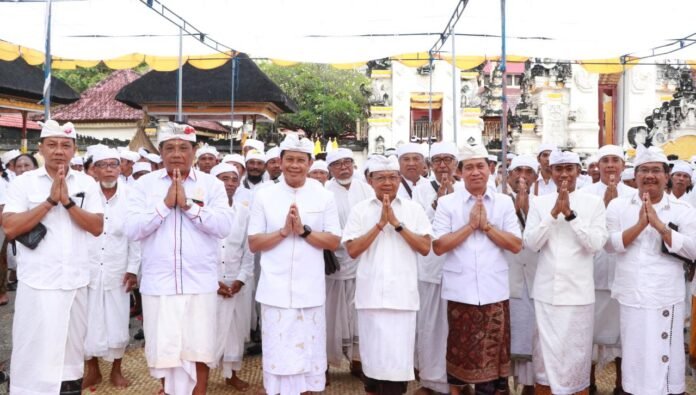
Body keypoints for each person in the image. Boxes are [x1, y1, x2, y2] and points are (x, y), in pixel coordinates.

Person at [124, 122, 233, 395]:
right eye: (169, 148)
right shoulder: (144, 185)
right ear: (160, 152)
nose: (176, 154)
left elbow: (223, 227)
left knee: (200, 348)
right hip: (159, 285)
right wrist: (164, 206)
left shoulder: (212, 185)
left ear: (194, 151)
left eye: (183, 148)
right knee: (165, 351)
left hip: (200, 284)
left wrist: (187, 206)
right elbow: (132, 229)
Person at [4, 120, 104, 395]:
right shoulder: (23, 183)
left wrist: (68, 203)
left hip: (74, 282)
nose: (59, 151)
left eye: (65, 145)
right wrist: (48, 202)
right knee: (33, 348)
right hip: (37, 282)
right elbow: (10, 227)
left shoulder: (87, 183)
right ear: (40, 149)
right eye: (52, 144)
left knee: (70, 354)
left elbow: (96, 227)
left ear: (74, 150)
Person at [248, 134, 341, 395]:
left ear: (310, 163)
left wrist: (303, 231)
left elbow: (334, 241)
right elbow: (254, 243)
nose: (295, 165)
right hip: (274, 291)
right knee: (279, 355)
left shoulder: (324, 196)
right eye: (289, 159)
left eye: (301, 160)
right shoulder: (265, 196)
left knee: (308, 356)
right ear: (280, 161)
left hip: (309, 291)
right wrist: (282, 232)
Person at [433, 144, 522, 395]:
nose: (475, 172)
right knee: (460, 356)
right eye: (469, 167)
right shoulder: (447, 204)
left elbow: (516, 245)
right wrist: (470, 226)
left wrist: (487, 228)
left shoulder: (504, 202)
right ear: (459, 172)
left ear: (490, 169)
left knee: (493, 362)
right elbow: (438, 246)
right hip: (461, 294)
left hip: (494, 292)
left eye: (480, 166)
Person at [606, 145, 696, 395]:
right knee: (635, 358)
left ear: (666, 176)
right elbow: (609, 245)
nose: (649, 176)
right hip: (632, 296)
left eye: (656, 170)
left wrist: (660, 226)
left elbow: (693, 249)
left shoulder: (683, 210)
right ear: (634, 176)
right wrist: (639, 225)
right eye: (643, 170)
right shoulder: (618, 206)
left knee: (666, 361)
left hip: (666, 296)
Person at [343, 155, 432, 395]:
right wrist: (380, 225)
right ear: (370, 180)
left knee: (396, 364)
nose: (387, 183)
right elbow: (352, 250)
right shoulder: (360, 210)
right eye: (380, 178)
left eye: (392, 177)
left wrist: (397, 224)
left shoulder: (413, 209)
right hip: (370, 297)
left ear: (399, 179)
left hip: (402, 299)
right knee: (372, 364)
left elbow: (425, 248)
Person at [524, 150, 608, 394]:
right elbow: (531, 243)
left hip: (578, 294)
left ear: (577, 172)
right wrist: (552, 215)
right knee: (544, 358)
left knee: (575, 358)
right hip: (546, 292)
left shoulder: (593, 203)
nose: (563, 174)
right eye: (558, 169)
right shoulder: (539, 203)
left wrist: (571, 216)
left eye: (569, 169)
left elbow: (595, 244)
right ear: (550, 172)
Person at [82, 148, 141, 390]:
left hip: (118, 269)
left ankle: (117, 369)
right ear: (93, 170)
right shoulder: (83, 194)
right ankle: (92, 370)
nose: (109, 169)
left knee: (118, 321)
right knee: (87, 321)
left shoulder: (131, 196)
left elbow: (136, 237)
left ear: (121, 168)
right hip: (88, 269)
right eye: (103, 165)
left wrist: (134, 269)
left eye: (113, 164)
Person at [580, 145, 634, 394]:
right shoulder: (584, 193)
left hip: (624, 274)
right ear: (598, 166)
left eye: (615, 161)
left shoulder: (634, 194)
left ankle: (622, 384)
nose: (610, 165)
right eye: (606, 161)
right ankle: (587, 382)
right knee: (588, 332)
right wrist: (604, 205)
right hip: (592, 272)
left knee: (625, 334)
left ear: (623, 166)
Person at [411, 141, 460, 395]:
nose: (443, 164)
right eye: (438, 159)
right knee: (430, 325)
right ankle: (431, 381)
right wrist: (436, 203)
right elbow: (418, 226)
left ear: (456, 164)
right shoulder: (420, 190)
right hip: (430, 267)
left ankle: (458, 382)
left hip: (459, 269)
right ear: (430, 165)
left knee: (458, 328)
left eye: (448, 159)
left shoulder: (465, 189)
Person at [324, 148, 374, 376]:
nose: (343, 167)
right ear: (330, 169)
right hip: (333, 261)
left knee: (358, 312)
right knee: (330, 313)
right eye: (338, 164)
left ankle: (358, 361)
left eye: (347, 162)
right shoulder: (324, 192)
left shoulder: (366, 189)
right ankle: (323, 363)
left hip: (361, 259)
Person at [210, 163, 254, 391]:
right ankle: (201, 375)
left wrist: (241, 279)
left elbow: (248, 250)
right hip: (209, 282)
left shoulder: (244, 211)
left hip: (236, 282)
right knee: (206, 330)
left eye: (233, 179)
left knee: (234, 330)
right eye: (223, 178)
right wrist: (212, 281)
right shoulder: (203, 210)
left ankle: (232, 374)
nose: (229, 183)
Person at [503, 155, 540, 395]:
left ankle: (530, 385)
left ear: (536, 178)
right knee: (505, 335)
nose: (522, 176)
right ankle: (501, 385)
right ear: (508, 177)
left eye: (528, 171)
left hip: (536, 280)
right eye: (517, 171)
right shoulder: (497, 202)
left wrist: (527, 210)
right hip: (506, 279)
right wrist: (514, 211)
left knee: (532, 335)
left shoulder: (544, 203)